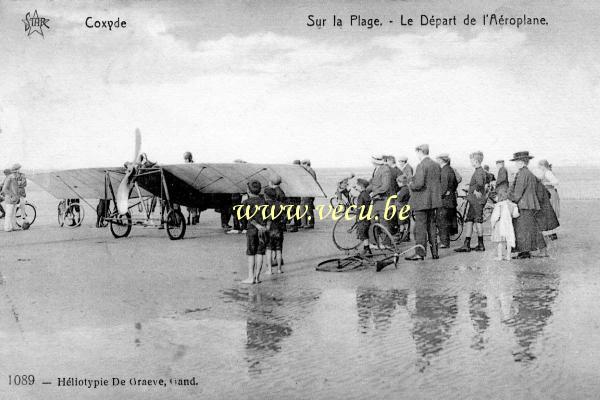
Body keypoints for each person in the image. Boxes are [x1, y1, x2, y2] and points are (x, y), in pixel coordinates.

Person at [405, 144, 442, 261]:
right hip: (433, 201)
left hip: (422, 202)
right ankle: (435, 253)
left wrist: (411, 184)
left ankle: (420, 253)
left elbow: (419, 184)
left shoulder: (421, 165)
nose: (417, 155)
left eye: (417, 152)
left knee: (420, 228)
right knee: (432, 227)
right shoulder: (436, 165)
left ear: (420, 152)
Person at [509, 151, 546, 259]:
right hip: (530, 204)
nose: (516, 164)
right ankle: (531, 250)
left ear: (522, 162)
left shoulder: (521, 173)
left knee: (522, 228)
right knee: (531, 227)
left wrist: (510, 199)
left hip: (523, 205)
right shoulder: (528, 173)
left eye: (517, 161)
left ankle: (525, 252)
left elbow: (518, 193)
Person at [455, 151, 487, 253]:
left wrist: (476, 189)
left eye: (471, 160)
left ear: (476, 161)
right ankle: (467, 244)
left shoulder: (478, 171)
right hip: (475, 201)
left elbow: (480, 183)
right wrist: (472, 185)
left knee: (477, 221)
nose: (470, 162)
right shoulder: (480, 171)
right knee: (469, 221)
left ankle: (480, 245)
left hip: (476, 201)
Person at [241, 180, 267, 284]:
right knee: (260, 253)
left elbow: (248, 217)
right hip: (262, 231)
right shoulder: (264, 201)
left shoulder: (245, 203)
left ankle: (250, 277)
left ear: (248, 190)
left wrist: (256, 225)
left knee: (251, 253)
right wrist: (263, 226)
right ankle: (257, 278)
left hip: (252, 230)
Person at [490, 186, 520, 260]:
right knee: (508, 240)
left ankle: (500, 256)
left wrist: (493, 225)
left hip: (499, 225)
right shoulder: (512, 205)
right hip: (508, 225)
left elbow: (495, 217)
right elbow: (515, 215)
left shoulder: (499, 205)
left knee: (500, 242)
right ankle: (508, 256)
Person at [436, 154, 458, 249]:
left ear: (442, 160)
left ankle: (444, 242)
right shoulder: (450, 169)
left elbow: (443, 188)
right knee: (448, 220)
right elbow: (456, 183)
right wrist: (451, 190)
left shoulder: (444, 170)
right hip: (451, 200)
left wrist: (438, 195)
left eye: (438, 159)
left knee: (442, 221)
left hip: (444, 201)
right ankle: (446, 241)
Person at [366, 155, 392, 234]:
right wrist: (365, 191)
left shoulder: (385, 169)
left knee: (383, 221)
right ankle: (374, 242)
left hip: (383, 199)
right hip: (376, 199)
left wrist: (374, 193)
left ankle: (386, 243)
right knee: (373, 219)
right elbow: (374, 184)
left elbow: (385, 186)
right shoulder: (376, 169)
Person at [264, 187, 285, 274]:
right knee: (279, 250)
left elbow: (266, 218)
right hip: (278, 230)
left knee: (269, 250)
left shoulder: (265, 206)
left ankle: (269, 270)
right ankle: (279, 269)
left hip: (269, 229)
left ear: (266, 196)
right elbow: (285, 216)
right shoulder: (280, 204)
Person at [355, 178, 372, 256]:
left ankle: (367, 249)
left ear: (361, 187)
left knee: (363, 233)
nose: (356, 187)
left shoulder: (361, 196)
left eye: (357, 186)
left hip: (362, 217)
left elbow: (360, 207)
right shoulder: (366, 194)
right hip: (367, 216)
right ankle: (367, 248)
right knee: (365, 233)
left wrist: (358, 217)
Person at [183, 152, 200, 225]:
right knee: (190, 206)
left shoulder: (188, 166)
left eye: (186, 158)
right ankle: (191, 219)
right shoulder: (194, 165)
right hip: (190, 189)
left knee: (192, 206)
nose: (186, 160)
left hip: (191, 189)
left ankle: (192, 219)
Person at [300, 159, 317, 229]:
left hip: (308, 192)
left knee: (308, 208)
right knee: (303, 207)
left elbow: (312, 183)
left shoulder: (311, 171)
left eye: (303, 164)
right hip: (305, 192)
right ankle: (304, 223)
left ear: (306, 164)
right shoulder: (308, 171)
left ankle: (310, 223)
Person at [287, 160, 302, 232]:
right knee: (296, 208)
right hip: (297, 194)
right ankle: (297, 222)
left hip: (293, 194)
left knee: (293, 208)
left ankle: (291, 222)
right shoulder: (300, 172)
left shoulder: (293, 172)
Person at [395, 175, 411, 241]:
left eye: (398, 183)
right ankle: (406, 235)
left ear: (401, 182)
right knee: (406, 221)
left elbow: (399, 199)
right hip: (406, 206)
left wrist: (397, 195)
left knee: (401, 222)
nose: (397, 184)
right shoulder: (407, 188)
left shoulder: (403, 190)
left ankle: (401, 236)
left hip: (401, 207)